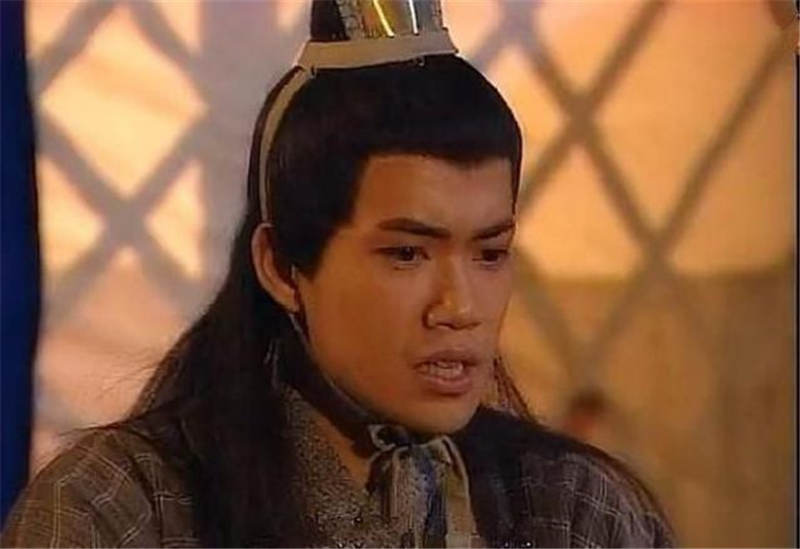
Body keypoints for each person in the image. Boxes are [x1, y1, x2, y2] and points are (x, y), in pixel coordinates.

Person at [2, 1, 674, 547]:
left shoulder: (575, 512)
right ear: (282, 266)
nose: (459, 306)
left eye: (490, 253)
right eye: (406, 254)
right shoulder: (119, 512)